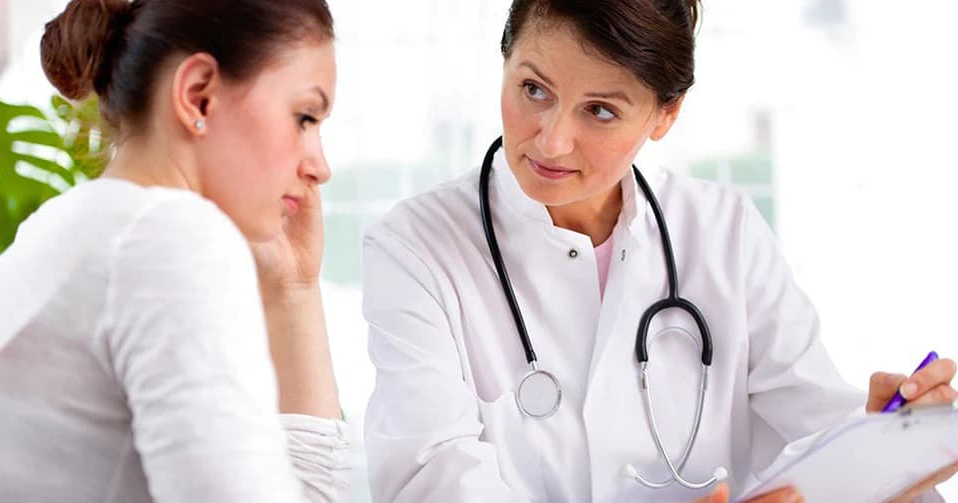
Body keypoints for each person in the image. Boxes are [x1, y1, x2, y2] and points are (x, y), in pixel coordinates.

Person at [361, 1, 958, 501]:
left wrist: (879, 445)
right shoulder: (416, 246)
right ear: (505, 64)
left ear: (665, 114)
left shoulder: (724, 231)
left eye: (600, 110)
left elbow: (813, 425)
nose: (552, 139)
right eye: (533, 89)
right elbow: (431, 478)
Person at [0, 0, 348, 501]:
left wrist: (294, 290)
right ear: (198, 96)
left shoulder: (61, 226)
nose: (320, 166)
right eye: (304, 117)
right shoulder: (169, 236)